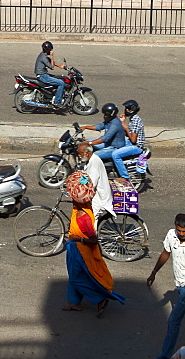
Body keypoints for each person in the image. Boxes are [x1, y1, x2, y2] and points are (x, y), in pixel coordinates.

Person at [61, 170, 124, 316]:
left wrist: (78, 239)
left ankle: (100, 299)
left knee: (77, 278)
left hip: (80, 250)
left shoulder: (83, 217)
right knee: (74, 276)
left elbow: (93, 239)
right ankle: (74, 302)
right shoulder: (84, 206)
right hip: (76, 248)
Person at [148, 213, 185, 359]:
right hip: (180, 285)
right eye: (179, 231)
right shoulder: (171, 235)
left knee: (174, 320)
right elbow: (165, 253)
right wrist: (154, 272)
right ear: (175, 228)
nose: (182, 234)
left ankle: (164, 356)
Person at [77, 141, 114, 219]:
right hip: (96, 194)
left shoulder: (94, 163)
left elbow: (91, 183)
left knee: (91, 218)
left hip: (99, 196)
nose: (79, 155)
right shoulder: (90, 160)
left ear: (86, 153)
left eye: (80, 153)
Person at [110, 99, 146, 179]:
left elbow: (133, 139)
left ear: (132, 110)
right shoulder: (133, 119)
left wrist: (125, 126)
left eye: (128, 109)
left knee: (115, 155)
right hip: (130, 143)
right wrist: (123, 122)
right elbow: (128, 133)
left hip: (136, 147)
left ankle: (124, 176)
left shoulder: (136, 120)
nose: (126, 110)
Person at [34, 40, 66, 106]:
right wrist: (52, 56)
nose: (51, 51)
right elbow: (52, 67)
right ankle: (57, 101)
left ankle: (53, 94)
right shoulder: (43, 57)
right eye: (50, 49)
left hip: (44, 75)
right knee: (61, 83)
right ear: (47, 50)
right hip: (42, 76)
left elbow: (50, 62)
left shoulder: (43, 55)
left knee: (59, 78)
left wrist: (60, 66)